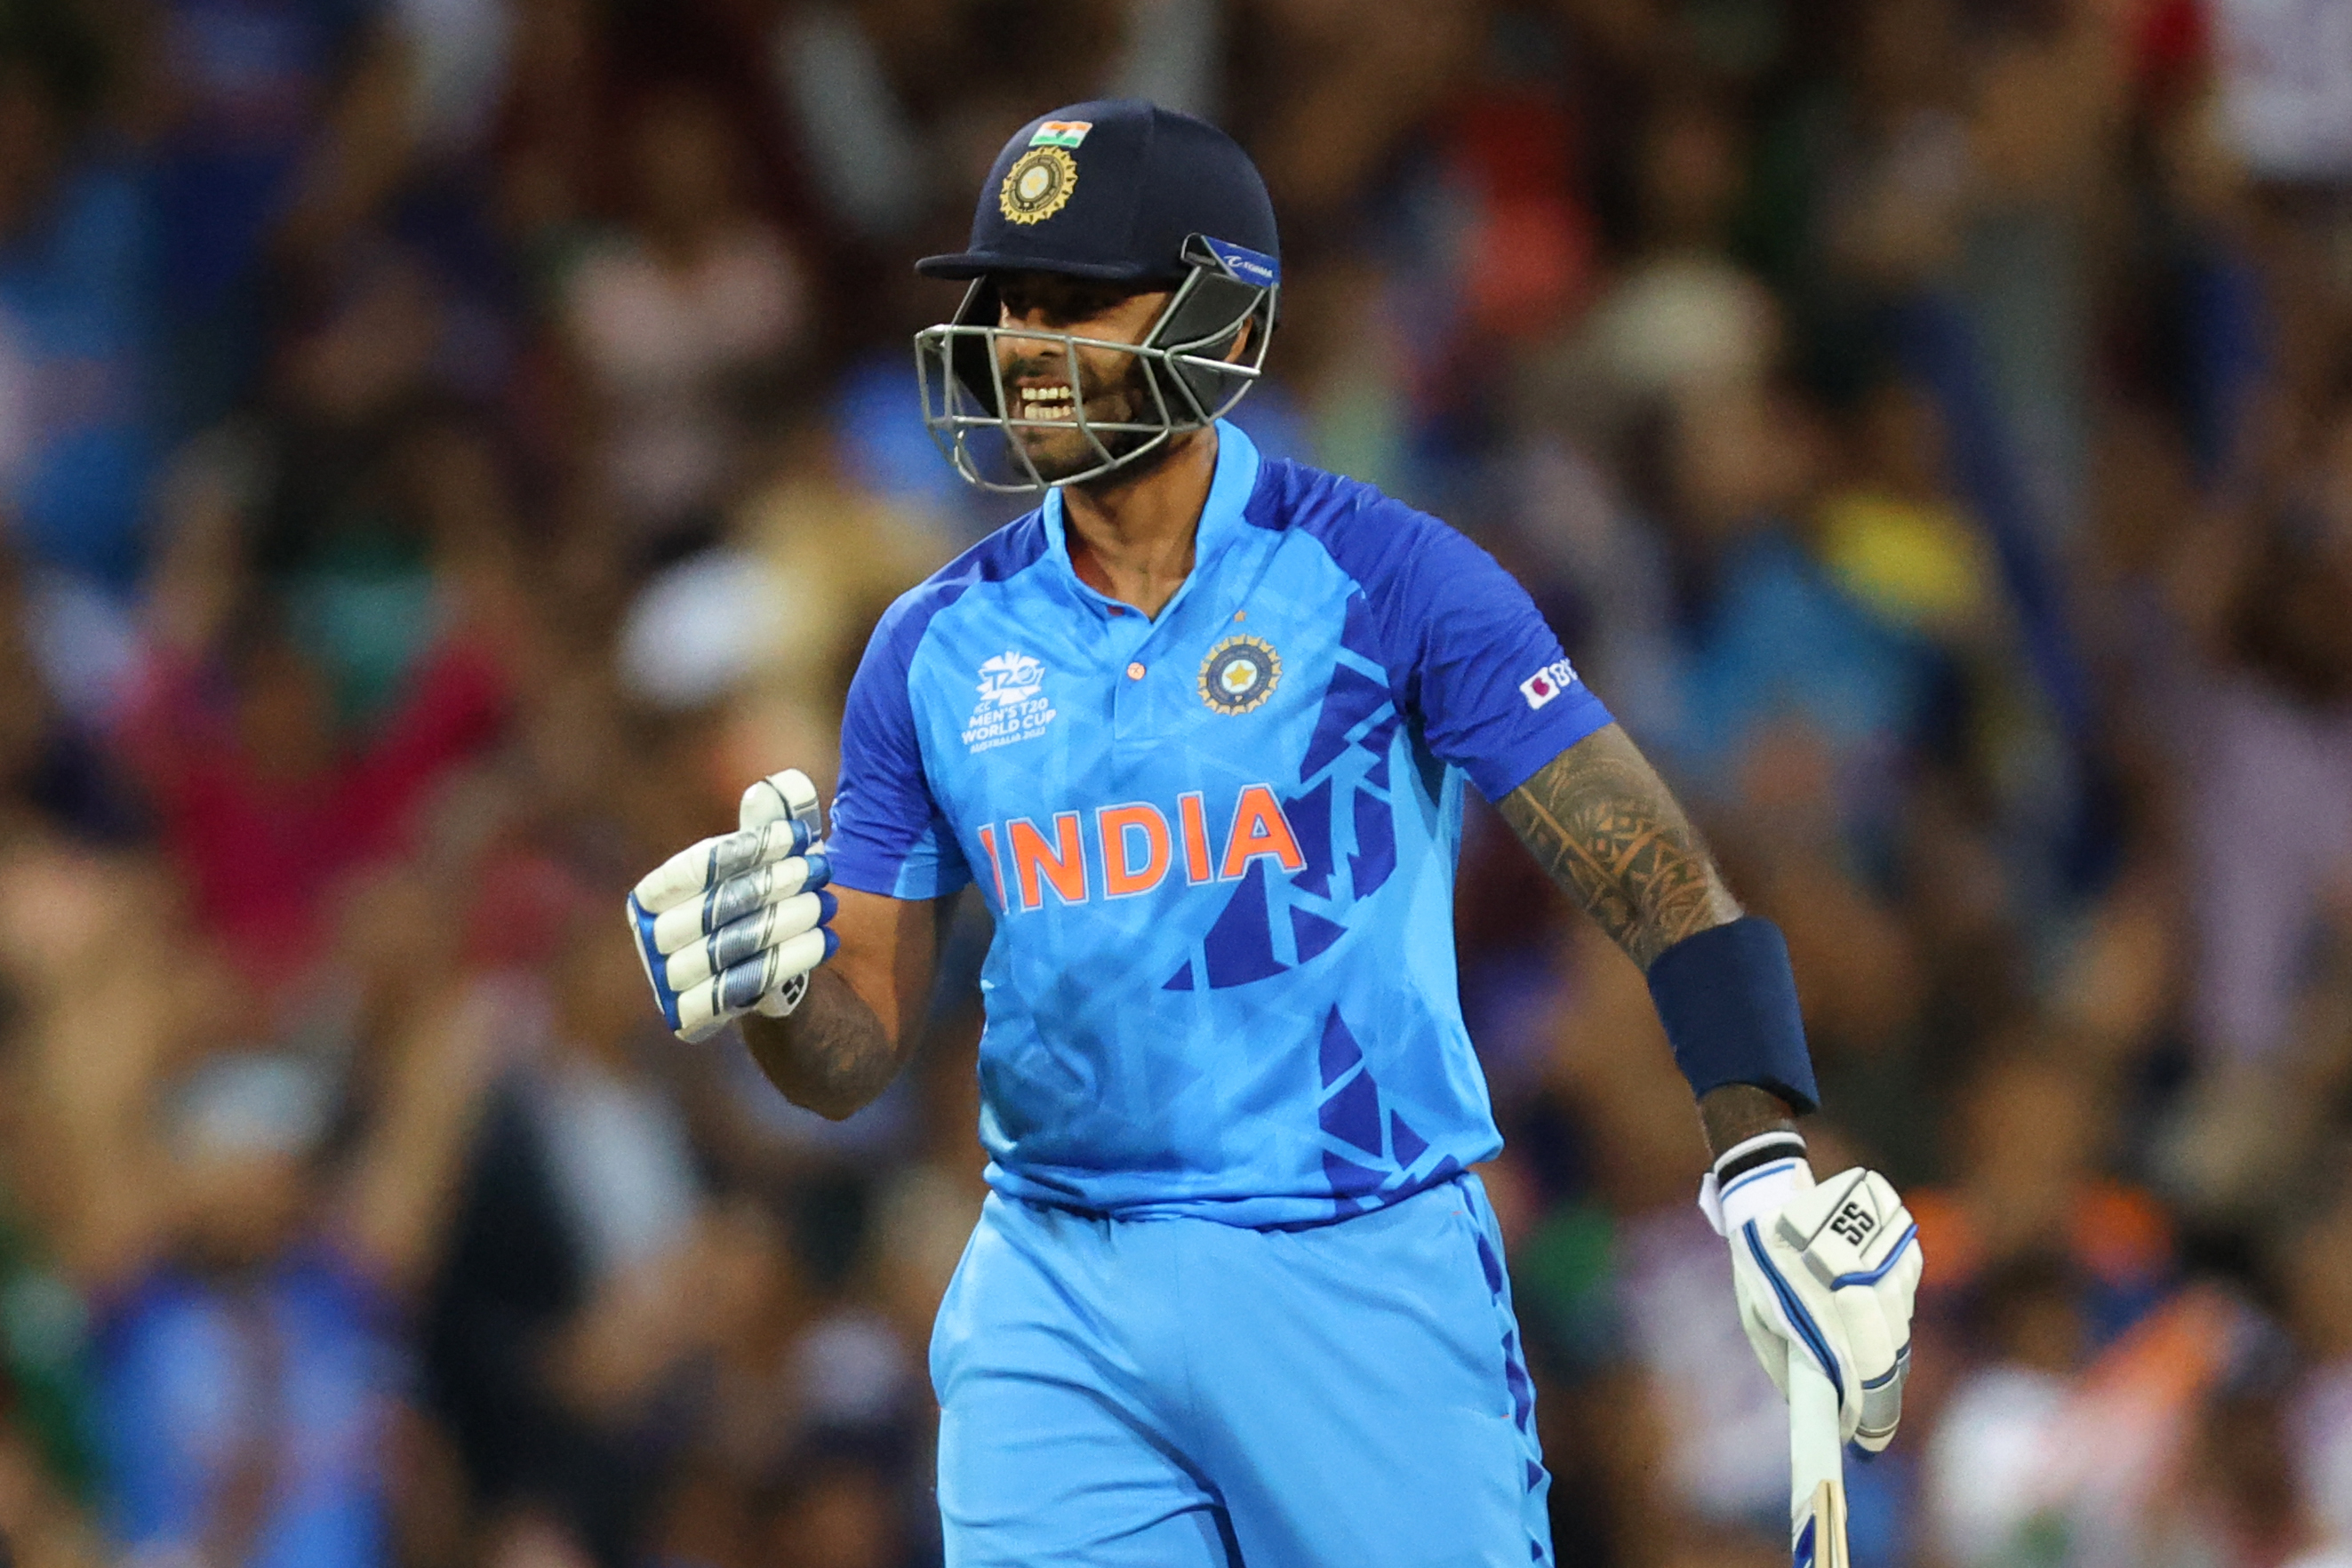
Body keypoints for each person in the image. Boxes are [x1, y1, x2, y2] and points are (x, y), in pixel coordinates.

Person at [628, 100, 1923, 1566]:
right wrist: (776, 988)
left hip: (1353, 1261)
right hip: (1054, 1290)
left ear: (1222, 323)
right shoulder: (928, 648)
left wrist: (1762, 1163)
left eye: (1072, 301)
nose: (1019, 343)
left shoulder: (1389, 578)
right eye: (1005, 302)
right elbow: (851, 1054)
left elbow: (1654, 876)